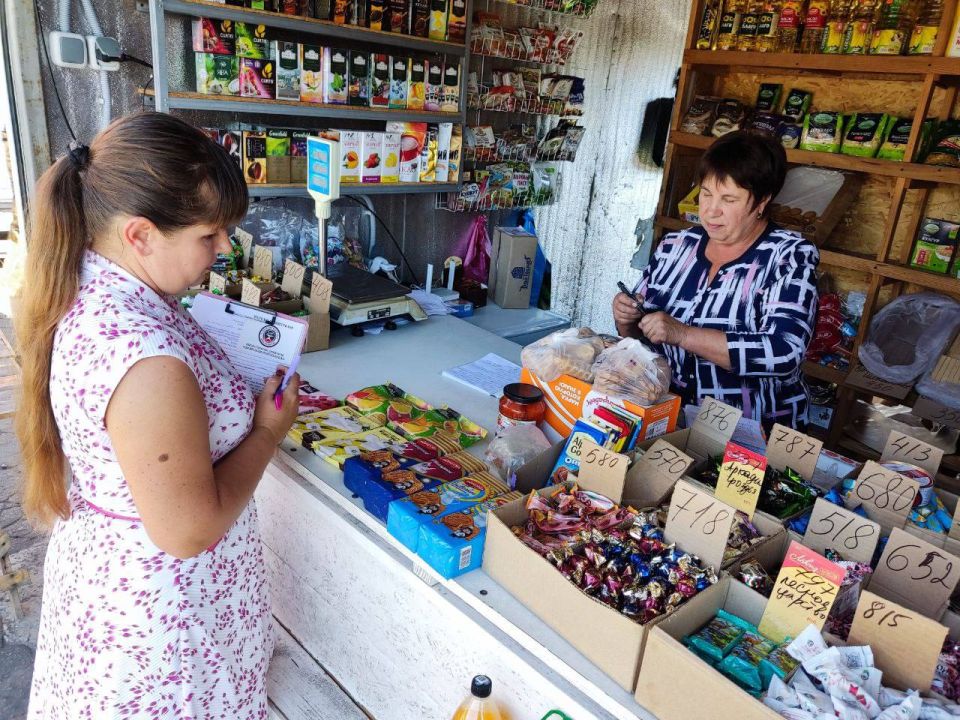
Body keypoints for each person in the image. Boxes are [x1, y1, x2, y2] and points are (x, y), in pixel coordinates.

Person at [15, 112, 300, 718]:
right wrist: (268, 430)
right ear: (140, 235)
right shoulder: (144, 359)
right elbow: (187, 529)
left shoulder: (99, 284)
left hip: (119, 593)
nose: (225, 249)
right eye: (209, 235)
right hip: (163, 631)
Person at [613, 130, 819, 431]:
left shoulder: (788, 255)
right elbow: (641, 337)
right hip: (669, 415)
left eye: (729, 199)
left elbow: (783, 352)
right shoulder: (675, 247)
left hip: (753, 428)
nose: (710, 210)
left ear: (762, 200)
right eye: (706, 193)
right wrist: (627, 318)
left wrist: (683, 334)